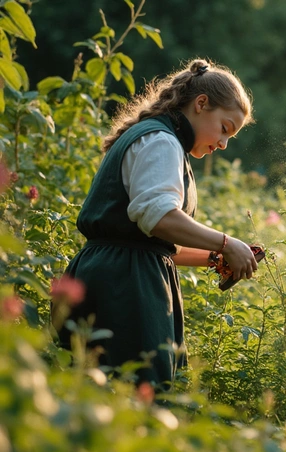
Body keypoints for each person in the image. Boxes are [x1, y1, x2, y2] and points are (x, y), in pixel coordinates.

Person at [58, 59, 259, 389]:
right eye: (225, 129)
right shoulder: (161, 142)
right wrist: (227, 243)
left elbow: (155, 241)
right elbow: (160, 218)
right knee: (131, 395)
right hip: (126, 287)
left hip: (118, 272)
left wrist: (214, 257)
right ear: (201, 104)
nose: (223, 144)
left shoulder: (160, 140)